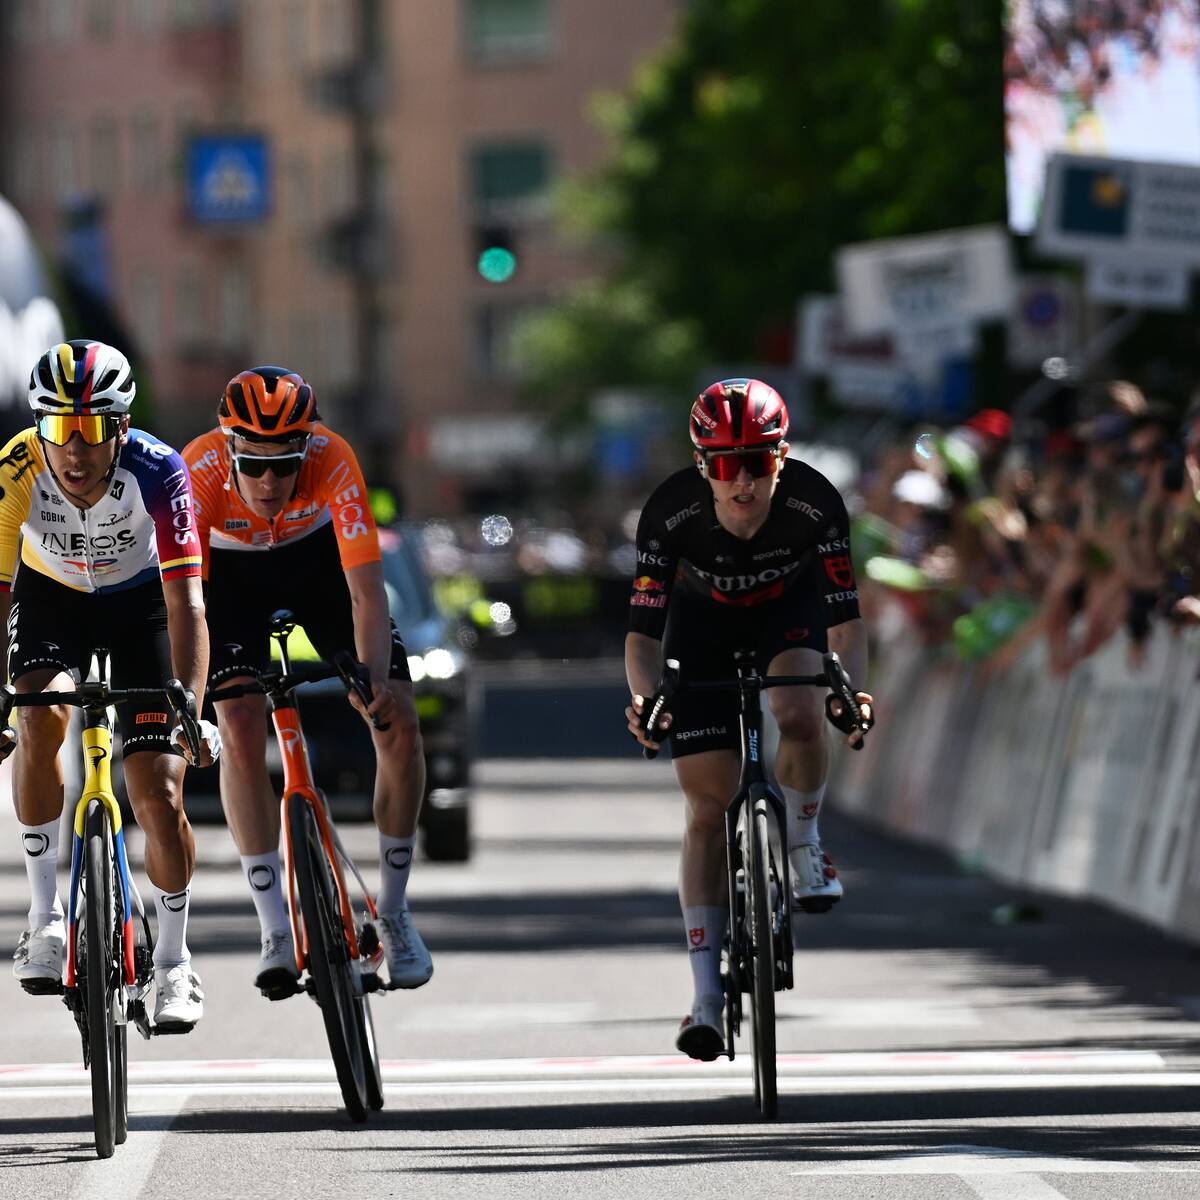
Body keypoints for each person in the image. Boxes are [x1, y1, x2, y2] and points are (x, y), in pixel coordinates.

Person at [624, 378, 873, 1060]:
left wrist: (850, 690)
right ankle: (705, 996)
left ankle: (805, 841)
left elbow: (847, 625)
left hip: (786, 618)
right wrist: (649, 702)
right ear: (702, 465)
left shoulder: (814, 502)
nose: (742, 483)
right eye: (726, 466)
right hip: (697, 630)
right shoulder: (671, 513)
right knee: (707, 809)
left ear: (782, 458)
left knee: (798, 706)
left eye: (757, 463)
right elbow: (642, 639)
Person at [183, 366, 431, 996]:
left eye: (285, 464)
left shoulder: (334, 458)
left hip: (315, 565)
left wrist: (372, 681)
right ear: (228, 445)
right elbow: (187, 602)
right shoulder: (199, 470)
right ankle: (274, 929)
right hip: (229, 580)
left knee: (398, 720)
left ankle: (395, 913)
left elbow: (366, 592)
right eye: (254, 464)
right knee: (239, 725)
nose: (269, 481)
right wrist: (192, 698)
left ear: (307, 447)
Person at [2, 339, 218, 1028]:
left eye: (91, 430)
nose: (74, 450)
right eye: (58, 429)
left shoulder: (160, 470)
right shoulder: (14, 470)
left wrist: (190, 706)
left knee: (157, 789)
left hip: (141, 605)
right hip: (50, 598)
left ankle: (176, 963)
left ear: (120, 428)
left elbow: (187, 603)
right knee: (39, 723)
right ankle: (45, 919)